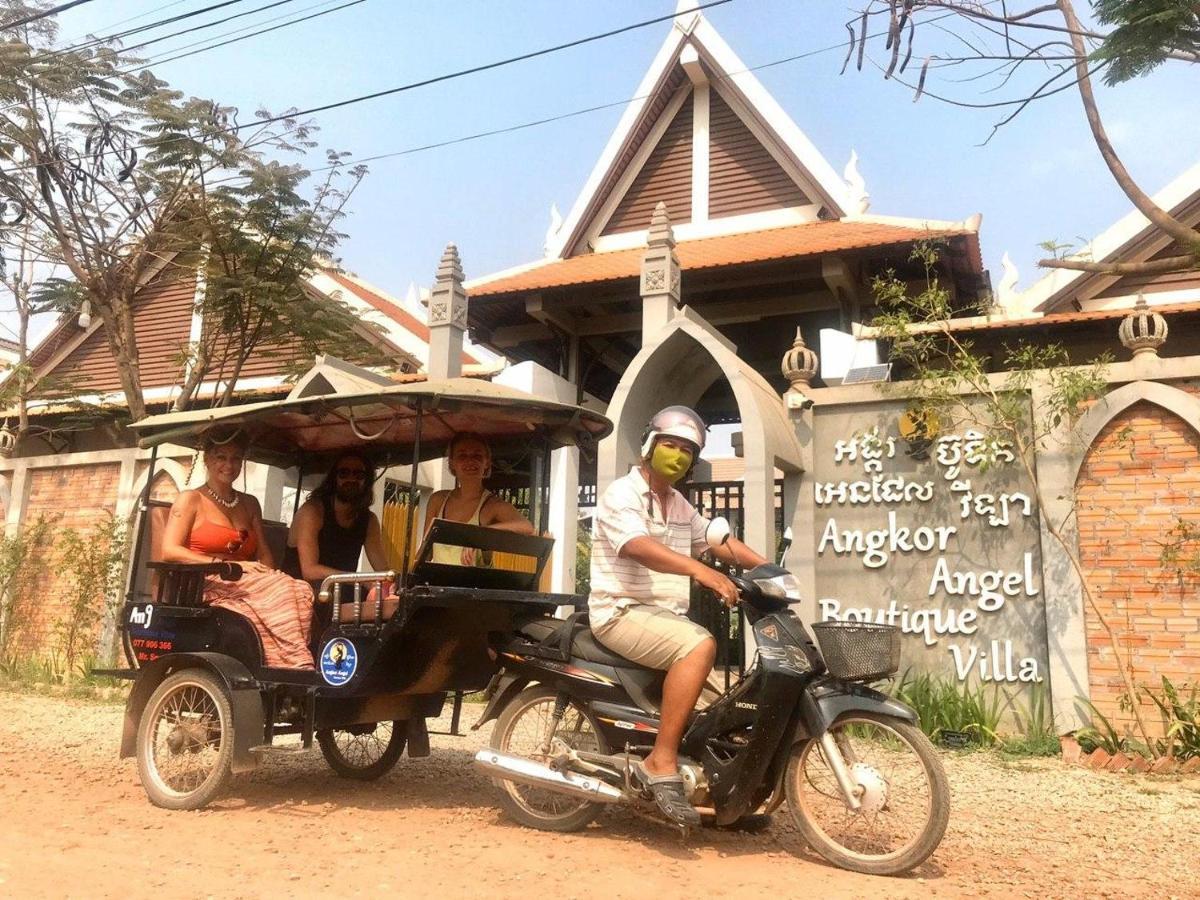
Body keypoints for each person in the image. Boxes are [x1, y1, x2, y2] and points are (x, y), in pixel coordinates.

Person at [588, 406, 768, 827]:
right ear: (650, 445)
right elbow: (635, 545)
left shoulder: (677, 503)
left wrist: (768, 570)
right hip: (619, 611)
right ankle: (660, 759)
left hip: (661, 618)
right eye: (671, 444)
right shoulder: (623, 494)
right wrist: (698, 569)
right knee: (699, 644)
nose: (679, 455)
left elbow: (715, 540)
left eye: (688, 450)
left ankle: (721, 799)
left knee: (722, 708)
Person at [161, 430, 317, 670]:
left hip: (246, 580)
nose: (228, 465)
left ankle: (281, 661)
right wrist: (223, 564)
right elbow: (169, 550)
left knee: (298, 588)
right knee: (284, 591)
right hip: (206, 581)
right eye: (220, 457)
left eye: (235, 458)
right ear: (207, 460)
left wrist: (265, 573)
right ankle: (294, 663)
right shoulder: (191, 499)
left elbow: (264, 552)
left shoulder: (250, 503)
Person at [422, 432, 533, 565]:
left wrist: (480, 536)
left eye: (477, 455)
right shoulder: (437, 500)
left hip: (475, 584)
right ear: (452, 463)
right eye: (462, 455)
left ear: (487, 463)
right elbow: (425, 552)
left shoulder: (492, 505)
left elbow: (526, 527)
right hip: (435, 583)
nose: (470, 460)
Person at [283, 452, 389, 585]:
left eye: (358, 474)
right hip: (300, 594)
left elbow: (383, 570)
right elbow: (309, 571)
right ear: (334, 478)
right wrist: (361, 581)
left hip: (343, 595)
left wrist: (392, 583)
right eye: (344, 473)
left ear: (366, 480)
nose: (351, 479)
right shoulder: (312, 511)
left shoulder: (369, 520)